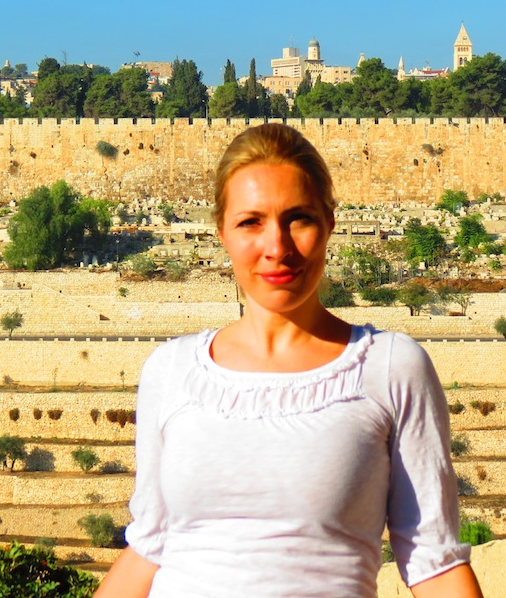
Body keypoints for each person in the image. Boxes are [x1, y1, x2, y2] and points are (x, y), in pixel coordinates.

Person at [95, 123, 482, 598]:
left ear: (329, 224)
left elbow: (433, 561)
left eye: (298, 218)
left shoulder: (391, 368)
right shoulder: (170, 371)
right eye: (250, 222)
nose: (276, 248)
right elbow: (150, 547)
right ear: (221, 233)